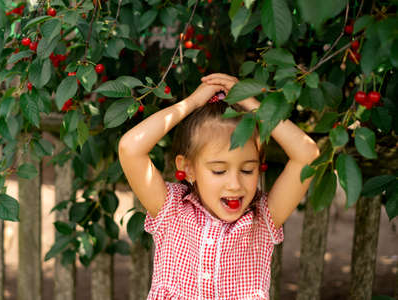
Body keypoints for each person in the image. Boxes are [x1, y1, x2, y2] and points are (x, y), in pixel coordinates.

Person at [118, 73, 320, 299]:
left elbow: (307, 155)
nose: (235, 185)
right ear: (189, 168)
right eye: (218, 170)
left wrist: (250, 103)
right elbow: (130, 148)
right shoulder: (171, 211)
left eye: (247, 170)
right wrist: (192, 103)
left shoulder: (262, 219)